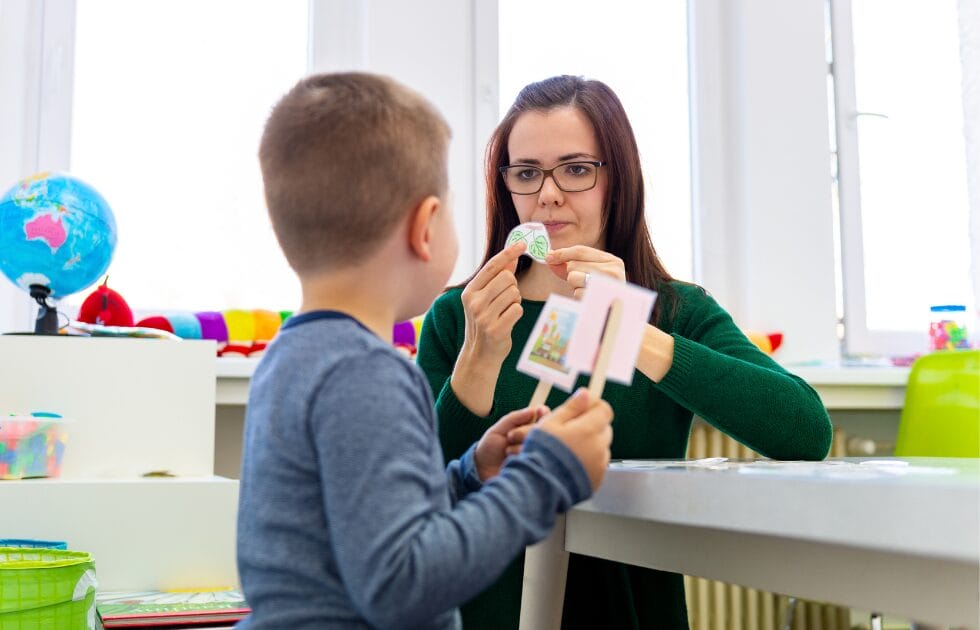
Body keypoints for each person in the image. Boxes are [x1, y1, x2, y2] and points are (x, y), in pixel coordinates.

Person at [417, 75, 834, 630]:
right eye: (526, 173)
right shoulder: (460, 314)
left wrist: (638, 333)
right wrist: (477, 361)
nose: (548, 194)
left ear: (620, 179)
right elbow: (417, 503)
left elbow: (805, 431)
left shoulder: (678, 311)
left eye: (576, 169)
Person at [236, 72, 615, 629]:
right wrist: (546, 472)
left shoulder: (288, 359)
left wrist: (467, 474)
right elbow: (401, 582)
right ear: (425, 227)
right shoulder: (369, 373)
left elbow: (364, 524)